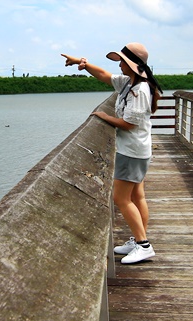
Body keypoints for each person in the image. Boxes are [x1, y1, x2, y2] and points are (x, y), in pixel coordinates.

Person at [62, 43, 163, 264]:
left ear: (133, 65)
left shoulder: (139, 90)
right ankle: (138, 240)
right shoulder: (130, 82)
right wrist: (83, 63)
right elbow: (105, 75)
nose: (119, 64)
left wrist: (103, 116)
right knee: (137, 196)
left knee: (121, 198)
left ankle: (144, 245)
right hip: (137, 149)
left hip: (132, 150)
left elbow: (128, 124)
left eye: (123, 61)